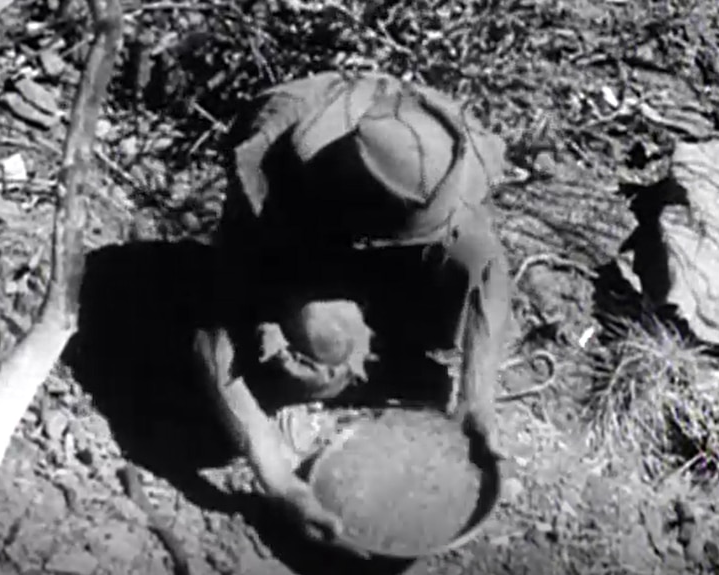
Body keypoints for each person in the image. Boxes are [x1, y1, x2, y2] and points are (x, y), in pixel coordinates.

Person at [192, 70, 511, 551]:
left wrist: (477, 404)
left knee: (451, 304)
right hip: (305, 242)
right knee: (328, 343)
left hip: (370, 233)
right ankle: (318, 365)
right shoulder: (275, 166)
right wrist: (280, 481)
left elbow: (488, 270)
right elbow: (213, 341)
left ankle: (388, 322)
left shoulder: (436, 156)